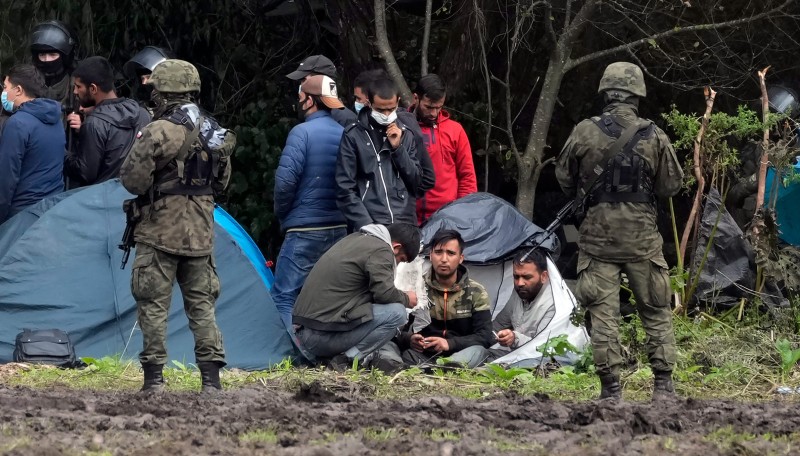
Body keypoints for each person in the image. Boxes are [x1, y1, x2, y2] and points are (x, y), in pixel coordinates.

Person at [555, 61, 683, 400]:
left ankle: (611, 390)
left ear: (605, 93)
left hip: (597, 241)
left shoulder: (584, 131)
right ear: (637, 95)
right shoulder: (654, 134)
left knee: (603, 316)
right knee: (655, 310)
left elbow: (565, 179)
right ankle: (664, 386)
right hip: (642, 240)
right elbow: (671, 185)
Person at [120, 60, 236, 393]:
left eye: (155, 88)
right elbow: (223, 182)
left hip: (159, 230)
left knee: (153, 305)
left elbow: (132, 180)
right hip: (201, 231)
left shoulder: (158, 130)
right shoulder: (215, 132)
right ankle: (211, 381)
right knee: (202, 306)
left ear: (164, 91)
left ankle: (154, 380)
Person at [272, 74, 348, 329]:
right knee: (326, 297)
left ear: (309, 100)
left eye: (300, 97)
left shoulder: (301, 133)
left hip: (304, 229)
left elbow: (285, 183)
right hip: (338, 228)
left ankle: (289, 350)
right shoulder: (344, 133)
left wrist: (283, 215)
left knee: (284, 296)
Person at [292, 223, 420, 369]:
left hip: (304, 331)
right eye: (401, 260)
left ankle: (331, 359)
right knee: (397, 313)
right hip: (317, 337)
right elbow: (384, 294)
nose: (397, 264)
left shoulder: (355, 239)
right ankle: (346, 360)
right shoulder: (382, 250)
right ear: (396, 247)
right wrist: (406, 298)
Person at [379, 230, 492, 371]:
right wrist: (410, 339)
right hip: (421, 355)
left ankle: (444, 368)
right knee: (386, 344)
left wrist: (449, 344)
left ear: (461, 258)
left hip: (459, 354)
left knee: (479, 351)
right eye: (438, 252)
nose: (444, 259)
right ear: (431, 256)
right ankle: (396, 367)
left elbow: (485, 336)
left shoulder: (476, 291)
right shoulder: (416, 287)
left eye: (451, 253)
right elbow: (397, 331)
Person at [336, 76, 433, 230]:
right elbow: (345, 187)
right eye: (380, 110)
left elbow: (417, 182)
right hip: (370, 222)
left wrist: (398, 148)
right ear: (369, 103)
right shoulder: (353, 135)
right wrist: (365, 224)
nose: (387, 114)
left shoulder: (406, 133)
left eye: (391, 109)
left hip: (404, 222)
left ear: (398, 101)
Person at [64, 56, 150, 188]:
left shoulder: (94, 124)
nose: (75, 91)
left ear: (93, 88)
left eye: (78, 86)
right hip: (135, 196)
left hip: (103, 199)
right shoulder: (142, 113)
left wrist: (62, 154)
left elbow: (85, 174)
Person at [353, 69, 435, 199]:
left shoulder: (406, 127)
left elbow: (426, 178)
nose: (357, 103)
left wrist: (402, 199)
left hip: (401, 211)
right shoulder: (359, 129)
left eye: (359, 98)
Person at [0, 64, 65, 225]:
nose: (3, 92)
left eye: (6, 87)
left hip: (22, 215)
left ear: (19, 90)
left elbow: (7, 178)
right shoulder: (56, 118)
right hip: (51, 210)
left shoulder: (17, 123)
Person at [410, 74, 477, 225]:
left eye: (439, 107)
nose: (433, 113)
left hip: (448, 216)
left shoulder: (455, 130)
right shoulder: (401, 126)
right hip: (409, 216)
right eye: (428, 107)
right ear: (416, 98)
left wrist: (462, 213)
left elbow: (467, 176)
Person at [484, 249, 554, 363]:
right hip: (513, 354)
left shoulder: (553, 304)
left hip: (537, 360)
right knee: (478, 352)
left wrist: (514, 338)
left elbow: (543, 347)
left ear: (544, 276)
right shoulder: (518, 295)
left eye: (527, 277)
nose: (520, 283)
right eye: (516, 277)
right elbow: (497, 326)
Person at [286, 54, 356, 127]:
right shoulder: (310, 113)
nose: (301, 85)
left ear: (321, 79)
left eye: (304, 80)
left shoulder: (345, 119)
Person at [29, 20, 78, 107]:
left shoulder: (77, 83)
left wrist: (80, 117)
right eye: (42, 55)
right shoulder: (28, 81)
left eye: (52, 55)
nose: (47, 59)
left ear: (64, 57)